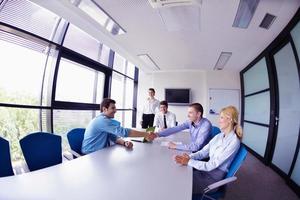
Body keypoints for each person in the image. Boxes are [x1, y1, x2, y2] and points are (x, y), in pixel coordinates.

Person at [174, 106, 243, 194]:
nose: (219, 120)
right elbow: (203, 152)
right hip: (203, 171)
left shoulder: (234, 141)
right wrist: (189, 156)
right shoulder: (219, 136)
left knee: (179, 187)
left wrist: (189, 161)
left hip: (211, 180)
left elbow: (212, 165)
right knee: (178, 178)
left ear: (229, 119)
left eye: (221, 117)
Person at [82, 98, 156, 154]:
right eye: (113, 108)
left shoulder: (104, 121)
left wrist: (124, 143)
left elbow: (114, 137)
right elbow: (123, 132)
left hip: (100, 152)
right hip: (90, 154)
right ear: (104, 109)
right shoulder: (102, 121)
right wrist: (146, 134)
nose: (115, 110)